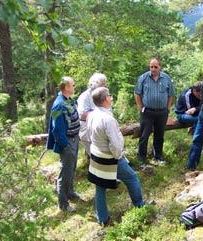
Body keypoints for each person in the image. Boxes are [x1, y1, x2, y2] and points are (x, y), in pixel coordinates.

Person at [86, 87, 144, 225]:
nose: (111, 98)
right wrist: (118, 157)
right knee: (132, 178)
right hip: (110, 158)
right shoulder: (108, 119)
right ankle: (140, 206)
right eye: (110, 96)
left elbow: (89, 135)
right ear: (106, 99)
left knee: (100, 186)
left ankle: (102, 218)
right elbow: (116, 145)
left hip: (96, 155)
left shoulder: (91, 115)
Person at [46, 76, 81, 212]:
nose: (74, 86)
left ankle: (70, 193)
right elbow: (57, 129)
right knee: (64, 173)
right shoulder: (59, 105)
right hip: (67, 143)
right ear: (66, 87)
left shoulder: (68, 100)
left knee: (71, 169)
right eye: (73, 84)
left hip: (74, 139)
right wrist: (65, 145)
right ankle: (63, 204)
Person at [134, 57, 175, 165]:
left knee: (159, 135)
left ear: (160, 67)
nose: (153, 69)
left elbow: (171, 94)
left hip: (162, 112)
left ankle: (158, 156)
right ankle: (142, 158)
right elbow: (137, 93)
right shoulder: (143, 78)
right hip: (147, 112)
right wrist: (140, 108)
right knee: (144, 135)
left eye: (155, 67)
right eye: (151, 67)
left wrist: (167, 108)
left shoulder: (166, 78)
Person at [77, 73, 107, 157]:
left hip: (102, 127)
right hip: (87, 129)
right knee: (97, 156)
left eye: (105, 84)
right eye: (102, 84)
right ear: (94, 84)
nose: (104, 86)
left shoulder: (104, 95)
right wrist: (99, 115)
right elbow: (82, 115)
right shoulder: (85, 96)